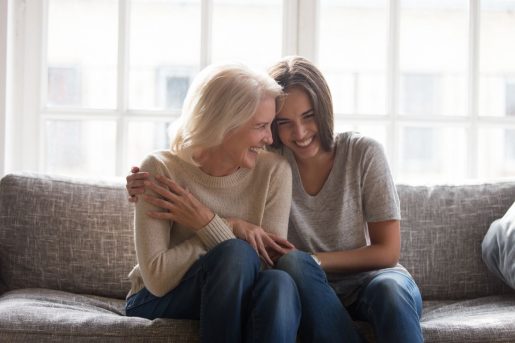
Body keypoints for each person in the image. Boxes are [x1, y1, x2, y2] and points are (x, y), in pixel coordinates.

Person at [127, 56, 423, 343]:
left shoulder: (347, 155)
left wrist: (309, 262)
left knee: (299, 276)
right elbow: (202, 157)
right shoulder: (267, 159)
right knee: (270, 266)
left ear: (324, 109)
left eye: (308, 116)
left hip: (356, 279)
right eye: (280, 123)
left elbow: (386, 251)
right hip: (276, 281)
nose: (299, 132)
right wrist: (220, 225)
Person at [124, 63, 301, 343]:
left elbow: (269, 265)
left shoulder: (274, 171)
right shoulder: (161, 169)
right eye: (260, 126)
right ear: (224, 125)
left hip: (238, 289)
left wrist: (207, 223)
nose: (269, 138)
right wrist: (228, 227)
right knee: (237, 254)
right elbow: (157, 279)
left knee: (279, 283)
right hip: (159, 298)